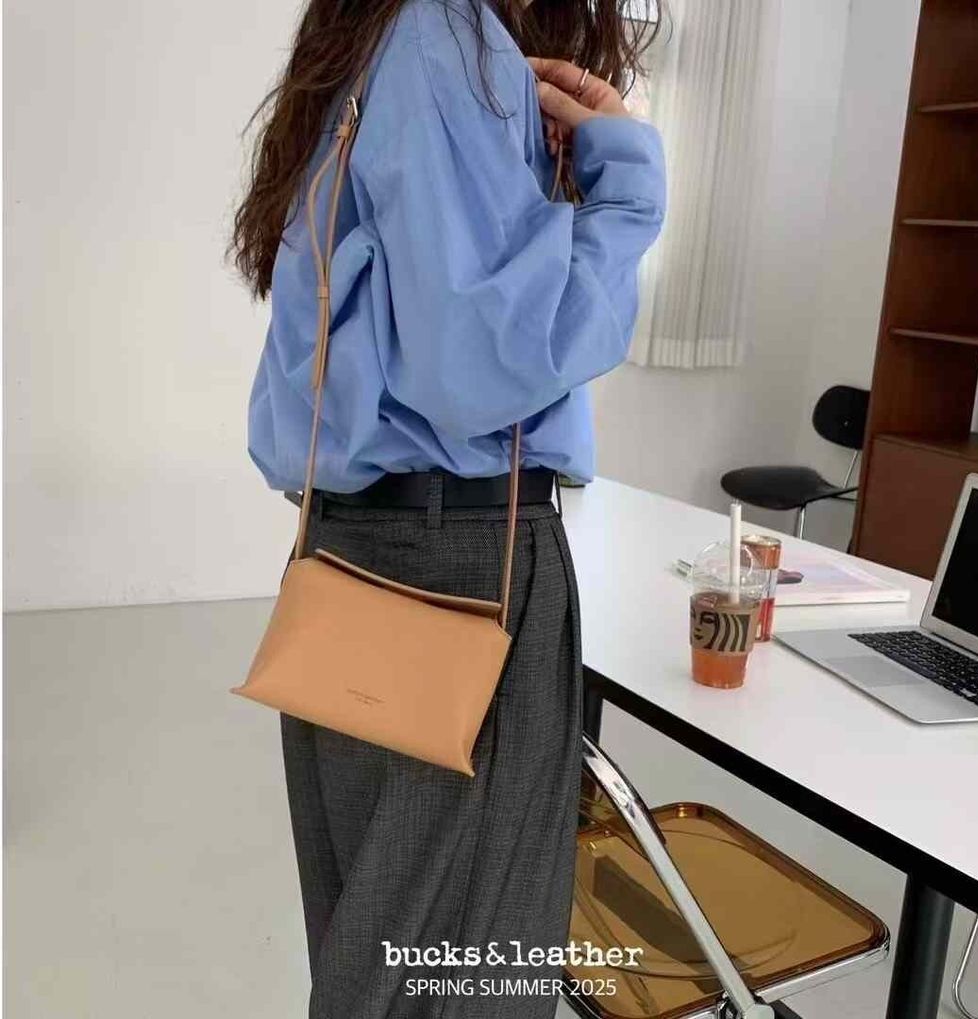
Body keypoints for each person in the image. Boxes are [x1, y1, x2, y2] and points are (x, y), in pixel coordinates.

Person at [229, 0, 665, 1014]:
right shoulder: (442, 37)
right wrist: (629, 184)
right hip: (464, 556)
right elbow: (489, 362)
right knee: (468, 967)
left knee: (384, 950)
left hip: (362, 550)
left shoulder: (378, 40)